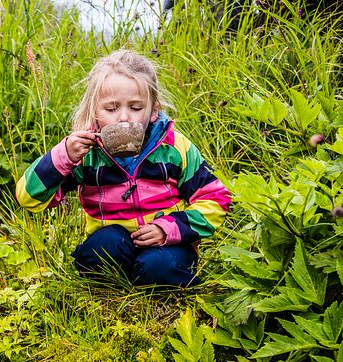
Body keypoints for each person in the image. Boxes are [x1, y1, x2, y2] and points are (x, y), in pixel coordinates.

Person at [15, 49, 230, 286]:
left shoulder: (175, 148)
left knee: (159, 267)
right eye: (111, 109)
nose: (124, 117)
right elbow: (28, 198)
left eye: (136, 108)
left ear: (153, 110)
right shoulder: (84, 154)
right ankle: (123, 276)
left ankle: (153, 274)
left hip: (167, 244)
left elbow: (216, 198)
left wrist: (169, 229)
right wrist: (63, 155)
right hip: (114, 241)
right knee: (99, 251)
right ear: (94, 110)